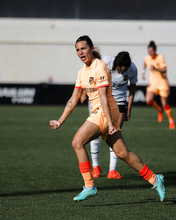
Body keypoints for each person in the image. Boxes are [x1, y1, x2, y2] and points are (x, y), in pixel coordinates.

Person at [49, 35, 165, 202]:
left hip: (106, 111)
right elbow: (73, 99)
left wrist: (110, 123)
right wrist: (60, 120)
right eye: (77, 50)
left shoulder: (100, 67)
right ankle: (155, 179)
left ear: (91, 49)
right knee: (122, 153)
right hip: (102, 112)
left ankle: (89, 186)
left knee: (77, 142)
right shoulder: (82, 72)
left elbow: (103, 97)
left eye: (83, 48)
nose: (80, 52)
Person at [80, 51, 138, 179]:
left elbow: (132, 87)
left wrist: (129, 108)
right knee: (95, 135)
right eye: (121, 69)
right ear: (116, 64)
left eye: (125, 70)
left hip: (119, 102)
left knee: (115, 135)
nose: (123, 72)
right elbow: (89, 73)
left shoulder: (132, 68)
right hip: (99, 101)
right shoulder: (105, 62)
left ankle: (112, 170)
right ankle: (96, 167)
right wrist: (84, 92)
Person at [142, 40, 175, 129]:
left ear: (155, 50)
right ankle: (159, 110)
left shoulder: (160, 57)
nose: (150, 53)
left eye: (152, 51)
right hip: (153, 83)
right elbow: (145, 63)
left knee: (165, 104)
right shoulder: (147, 58)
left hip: (163, 83)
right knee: (148, 100)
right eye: (149, 52)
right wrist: (143, 72)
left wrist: (156, 68)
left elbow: (165, 70)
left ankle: (171, 120)